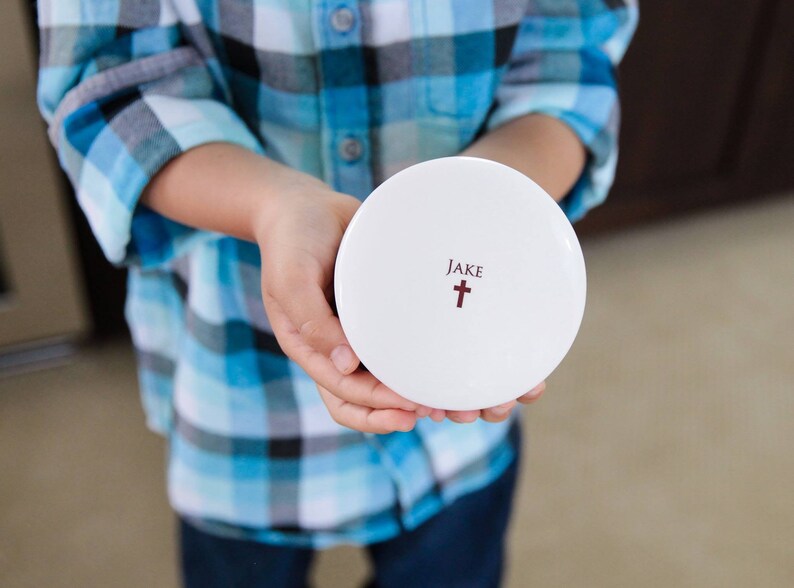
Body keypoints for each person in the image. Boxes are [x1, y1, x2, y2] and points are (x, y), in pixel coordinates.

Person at [37, 1, 637, 586]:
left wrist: (481, 200)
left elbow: (567, 60)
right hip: (244, 398)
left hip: (459, 426)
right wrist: (272, 207)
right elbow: (109, 92)